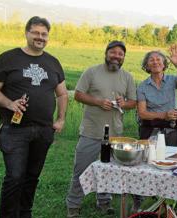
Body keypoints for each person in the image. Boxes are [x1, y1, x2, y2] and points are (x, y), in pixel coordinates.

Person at [0, 16, 68, 217]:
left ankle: (25, 212)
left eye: (44, 34)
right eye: (35, 33)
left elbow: (62, 93)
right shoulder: (8, 58)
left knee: (32, 176)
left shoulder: (53, 62)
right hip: (14, 129)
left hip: (44, 130)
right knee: (15, 176)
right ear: (26, 33)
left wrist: (61, 119)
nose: (40, 37)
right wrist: (10, 104)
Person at [65, 40, 137, 217]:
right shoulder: (92, 71)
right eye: (113, 52)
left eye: (121, 54)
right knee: (81, 169)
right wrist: (98, 102)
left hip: (115, 134)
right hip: (91, 131)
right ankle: (73, 205)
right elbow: (78, 95)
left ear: (124, 58)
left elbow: (133, 102)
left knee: (109, 170)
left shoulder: (127, 77)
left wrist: (124, 103)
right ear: (106, 53)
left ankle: (104, 201)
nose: (116, 56)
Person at [137, 44, 177, 147]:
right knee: (151, 159)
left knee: (172, 159)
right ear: (147, 65)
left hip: (172, 130)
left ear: (163, 64)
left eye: (158, 59)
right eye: (151, 60)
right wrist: (164, 115)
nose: (155, 62)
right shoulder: (142, 87)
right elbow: (142, 113)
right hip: (150, 131)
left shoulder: (173, 80)